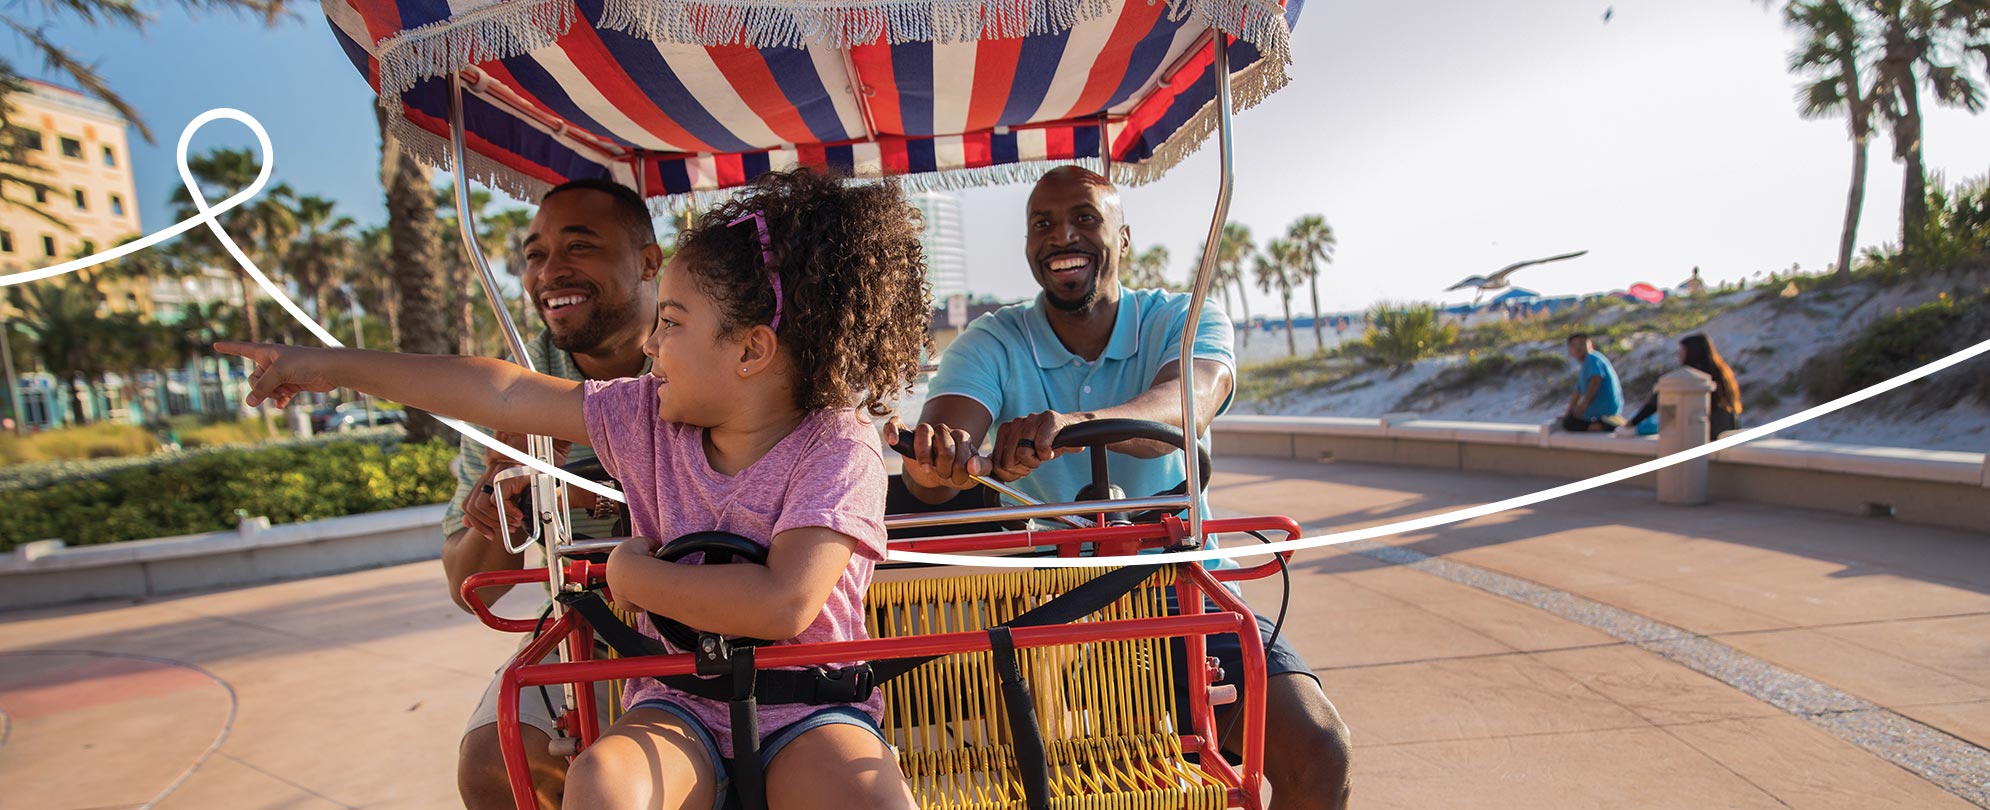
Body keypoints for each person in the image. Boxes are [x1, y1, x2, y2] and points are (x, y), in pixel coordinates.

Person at [219, 168, 930, 810]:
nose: (652, 345)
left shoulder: (837, 445)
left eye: (672, 324)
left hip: (809, 706)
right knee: (602, 782)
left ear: (750, 349)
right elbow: (499, 392)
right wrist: (332, 366)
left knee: (860, 794)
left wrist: (631, 574)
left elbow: (782, 602)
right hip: (677, 698)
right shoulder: (643, 418)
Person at [890, 166, 1354, 810]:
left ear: (1124, 237)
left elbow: (1186, 405)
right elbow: (945, 444)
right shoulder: (993, 340)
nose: (1062, 236)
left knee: (1318, 748)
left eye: (1084, 218)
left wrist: (1071, 426)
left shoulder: (1182, 319)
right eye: (1042, 224)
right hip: (1039, 601)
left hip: (1175, 591)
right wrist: (937, 458)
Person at [438, 178, 660, 810]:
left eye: (579, 246)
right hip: (588, 619)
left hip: (723, 605)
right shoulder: (510, 387)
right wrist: (505, 492)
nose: (549, 272)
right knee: (493, 766)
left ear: (649, 261)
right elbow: (467, 585)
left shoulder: (705, 353)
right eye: (535, 255)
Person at [1625, 333, 1743, 437]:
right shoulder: (1722, 373)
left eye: (1682, 350)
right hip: (1727, 430)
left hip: (1703, 434)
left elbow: (1654, 403)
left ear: (1692, 352)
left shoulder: (1691, 377)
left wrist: (1632, 423)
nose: (1679, 354)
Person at [1560, 333, 1625, 432]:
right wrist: (1568, 413)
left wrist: (1584, 404)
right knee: (1569, 420)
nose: (1578, 347)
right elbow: (1577, 393)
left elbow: (1596, 380)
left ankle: (1608, 425)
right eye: (1574, 345)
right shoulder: (1585, 366)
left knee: (1570, 424)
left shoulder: (1592, 359)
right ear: (1570, 350)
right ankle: (1605, 424)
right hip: (1599, 412)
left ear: (1591, 345)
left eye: (1582, 343)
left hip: (1606, 412)